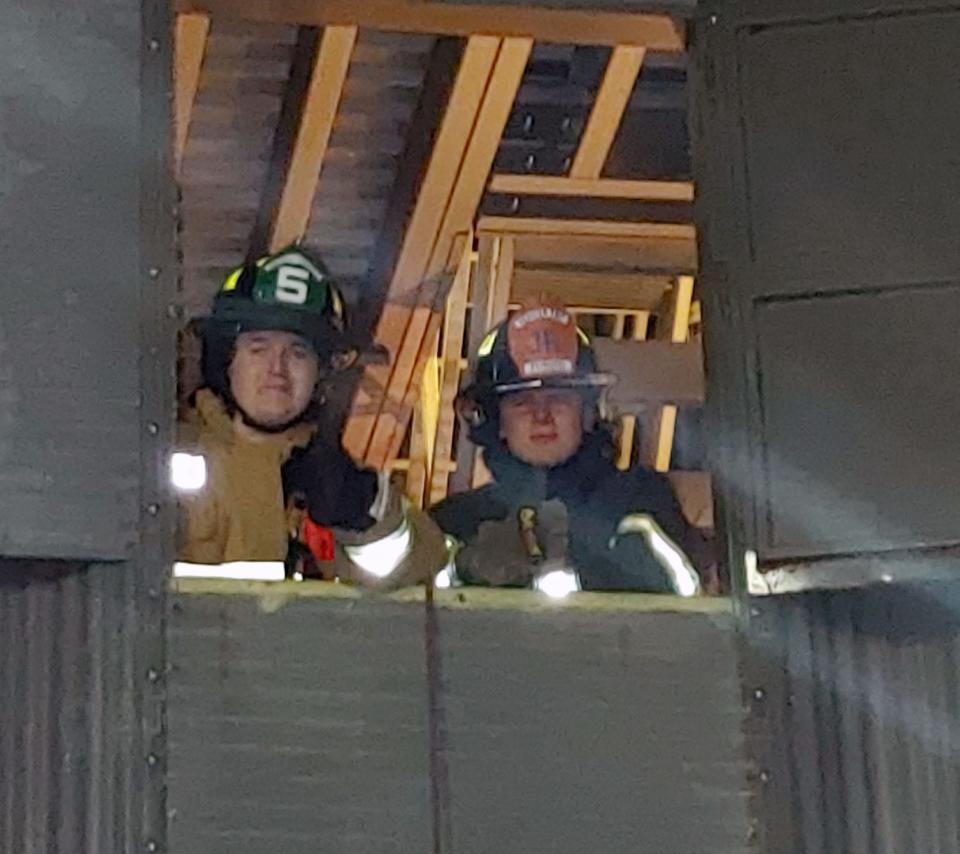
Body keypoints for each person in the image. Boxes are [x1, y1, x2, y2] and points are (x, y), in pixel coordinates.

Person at [175, 244, 444, 585]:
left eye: (298, 352)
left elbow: (423, 585)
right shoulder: (162, 457)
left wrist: (363, 513)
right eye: (258, 348)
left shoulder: (340, 482)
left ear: (323, 372)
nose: (277, 369)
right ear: (226, 359)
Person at [431, 298, 702, 595]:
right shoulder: (457, 522)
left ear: (587, 414)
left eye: (558, 398)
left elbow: (686, 592)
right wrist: (465, 567)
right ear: (497, 423)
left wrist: (578, 568)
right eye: (522, 403)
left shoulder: (642, 501)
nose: (542, 416)